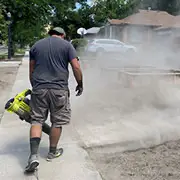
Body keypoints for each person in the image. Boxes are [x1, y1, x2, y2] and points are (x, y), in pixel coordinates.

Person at [25, 27, 83, 172]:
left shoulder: (36, 45)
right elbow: (76, 66)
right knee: (57, 122)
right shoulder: (67, 45)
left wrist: (35, 86)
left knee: (36, 120)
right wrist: (80, 83)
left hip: (39, 88)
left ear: (49, 34)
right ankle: (52, 152)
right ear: (62, 35)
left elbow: (31, 69)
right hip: (59, 90)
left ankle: (33, 156)